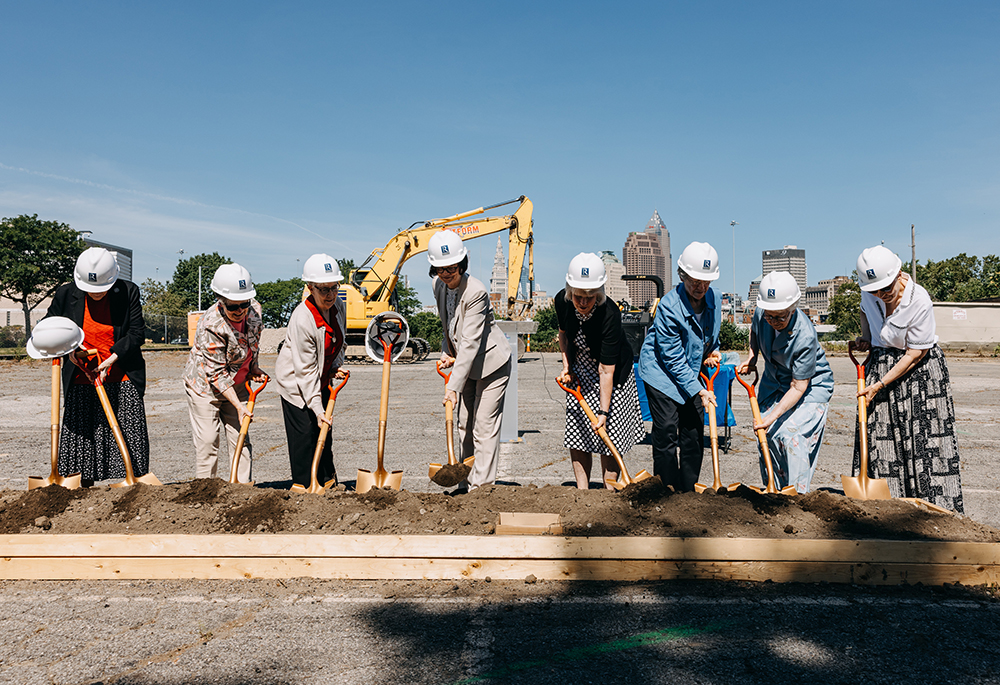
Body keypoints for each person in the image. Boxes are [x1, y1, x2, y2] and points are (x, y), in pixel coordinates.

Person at [852, 245, 964, 512]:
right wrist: (866, 337)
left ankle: (934, 510)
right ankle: (888, 509)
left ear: (898, 274)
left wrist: (879, 384)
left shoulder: (919, 300)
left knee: (924, 440)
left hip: (920, 375)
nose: (880, 295)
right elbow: (864, 310)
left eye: (886, 289)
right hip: (881, 364)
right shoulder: (870, 291)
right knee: (880, 435)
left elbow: (915, 353)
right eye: (874, 290)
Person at [45, 247, 149, 486]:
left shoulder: (128, 291)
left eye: (102, 289)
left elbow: (136, 333)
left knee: (127, 432)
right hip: (81, 376)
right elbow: (50, 327)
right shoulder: (65, 294)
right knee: (82, 436)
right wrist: (70, 352)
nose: (96, 294)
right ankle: (81, 489)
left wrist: (113, 358)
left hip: (121, 374)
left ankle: (133, 486)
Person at [737, 271, 833, 493]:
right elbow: (755, 330)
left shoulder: (805, 336)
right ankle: (775, 490)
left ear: (793, 309)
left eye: (780, 317)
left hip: (809, 388)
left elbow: (799, 386)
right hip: (774, 383)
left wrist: (772, 416)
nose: (774, 321)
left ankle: (796, 495)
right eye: (770, 316)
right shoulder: (764, 312)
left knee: (791, 436)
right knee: (767, 434)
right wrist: (753, 356)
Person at [555, 253, 645, 489]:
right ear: (569, 290)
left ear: (599, 293)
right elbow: (563, 335)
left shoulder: (609, 314)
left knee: (609, 434)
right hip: (580, 371)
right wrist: (567, 367)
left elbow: (606, 370)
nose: (583, 302)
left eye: (590, 297)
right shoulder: (562, 302)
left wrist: (604, 412)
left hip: (613, 375)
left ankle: (609, 490)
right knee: (579, 432)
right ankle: (582, 492)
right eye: (578, 296)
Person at [430, 230, 511, 490]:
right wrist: (446, 350)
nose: (446, 273)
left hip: (491, 364)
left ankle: (482, 489)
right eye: (440, 268)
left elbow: (471, 341)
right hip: (465, 363)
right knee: (465, 424)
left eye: (451, 267)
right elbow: (449, 324)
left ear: (462, 263)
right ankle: (465, 483)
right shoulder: (437, 286)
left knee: (484, 426)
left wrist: (452, 387)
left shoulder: (476, 291)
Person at [638, 241, 721, 492]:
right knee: (666, 431)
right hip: (661, 372)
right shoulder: (668, 307)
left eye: (706, 282)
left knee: (694, 433)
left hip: (691, 372)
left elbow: (710, 334)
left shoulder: (713, 298)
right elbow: (671, 357)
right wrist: (699, 390)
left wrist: (710, 352)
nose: (700, 287)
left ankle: (689, 490)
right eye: (695, 280)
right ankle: (666, 489)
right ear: (682, 275)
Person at [183, 263, 267, 482]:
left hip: (238, 385)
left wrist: (254, 366)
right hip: (205, 388)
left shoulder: (254, 312)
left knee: (241, 437)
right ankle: (206, 493)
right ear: (220, 300)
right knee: (208, 441)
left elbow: (252, 343)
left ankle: (242, 490)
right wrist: (239, 406)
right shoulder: (211, 325)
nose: (240, 310)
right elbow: (216, 375)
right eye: (233, 306)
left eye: (244, 304)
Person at [275, 254, 347, 489]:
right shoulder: (302, 318)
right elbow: (304, 372)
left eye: (334, 287)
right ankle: (305, 485)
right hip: (296, 384)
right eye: (323, 289)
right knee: (306, 435)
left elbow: (339, 340)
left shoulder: (338, 306)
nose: (329, 295)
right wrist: (317, 409)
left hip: (321, 378)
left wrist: (335, 365)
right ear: (309, 288)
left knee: (325, 433)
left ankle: (328, 483)